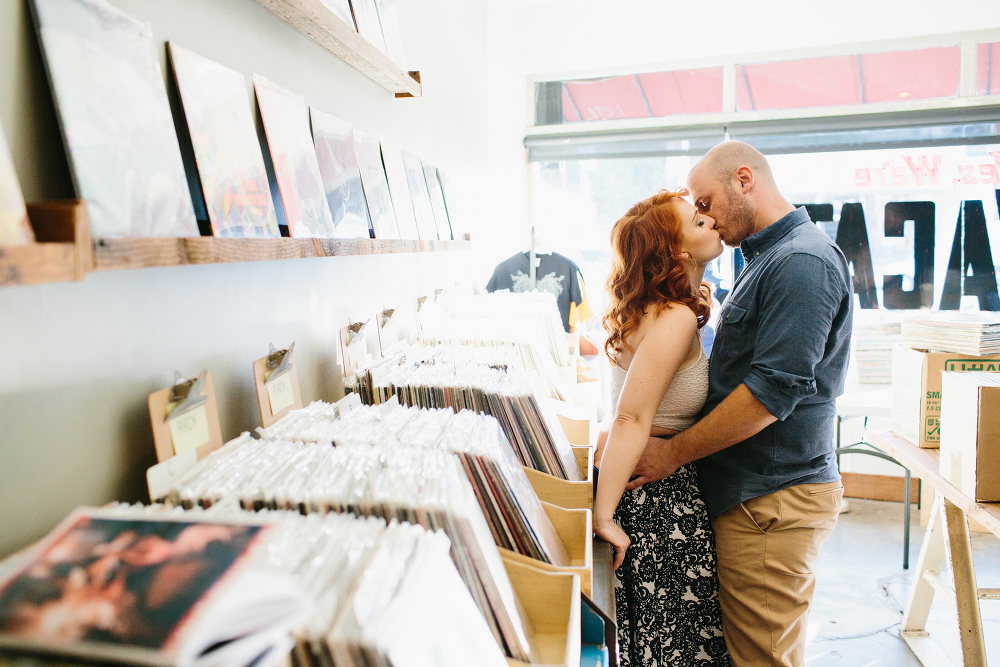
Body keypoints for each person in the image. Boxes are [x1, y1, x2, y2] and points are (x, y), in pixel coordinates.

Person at [626, 141, 853, 667]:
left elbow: (770, 395)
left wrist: (673, 451)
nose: (703, 217)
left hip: (770, 498)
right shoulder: (765, 259)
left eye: (705, 203)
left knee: (763, 658)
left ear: (744, 180)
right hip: (752, 494)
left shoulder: (800, 262)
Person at [593, 189, 730, 666]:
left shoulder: (656, 308)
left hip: (651, 495)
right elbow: (629, 418)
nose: (711, 223)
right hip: (660, 505)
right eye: (698, 222)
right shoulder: (673, 318)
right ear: (676, 251)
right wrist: (603, 515)